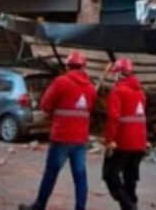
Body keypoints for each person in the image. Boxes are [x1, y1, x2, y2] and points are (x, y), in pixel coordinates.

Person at [19, 51, 96, 210]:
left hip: (61, 136)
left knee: (51, 174)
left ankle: (39, 206)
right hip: (80, 139)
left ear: (68, 66)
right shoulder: (90, 88)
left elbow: (45, 104)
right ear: (83, 66)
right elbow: (90, 108)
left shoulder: (61, 82)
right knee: (80, 176)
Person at [102, 58, 147, 210]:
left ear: (119, 74)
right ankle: (131, 204)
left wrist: (109, 140)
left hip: (122, 142)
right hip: (139, 143)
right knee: (130, 178)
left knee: (109, 174)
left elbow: (113, 118)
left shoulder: (117, 92)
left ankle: (130, 206)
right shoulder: (140, 93)